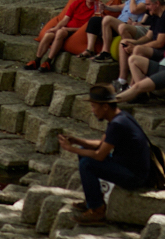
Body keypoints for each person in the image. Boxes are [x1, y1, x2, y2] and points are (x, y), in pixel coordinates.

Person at [58, 85, 153, 226]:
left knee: (87, 164)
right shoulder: (121, 117)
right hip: (124, 165)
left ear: (105, 107)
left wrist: (70, 149)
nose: (92, 111)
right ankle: (95, 199)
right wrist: (76, 141)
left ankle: (97, 210)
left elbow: (100, 155)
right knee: (84, 152)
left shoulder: (118, 124)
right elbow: (100, 144)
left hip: (135, 176)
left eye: (94, 106)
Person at [113, 0, 165, 93]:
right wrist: (134, 44)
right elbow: (148, 36)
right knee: (124, 42)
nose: (146, 7)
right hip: (158, 48)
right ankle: (122, 80)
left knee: (138, 49)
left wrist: (136, 47)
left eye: (148, 4)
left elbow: (160, 43)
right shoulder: (155, 14)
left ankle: (134, 86)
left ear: (157, 3)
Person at [26, 0, 102, 71]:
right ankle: (37, 60)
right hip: (66, 28)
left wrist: (66, 29)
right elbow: (65, 19)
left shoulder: (98, 7)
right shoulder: (77, 3)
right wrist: (56, 28)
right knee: (48, 35)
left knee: (60, 33)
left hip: (78, 32)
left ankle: (48, 61)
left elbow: (90, 27)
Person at [85, 0, 150, 61]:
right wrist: (106, 7)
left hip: (129, 25)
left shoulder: (147, 0)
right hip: (119, 22)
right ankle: (90, 49)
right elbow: (119, 7)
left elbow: (134, 10)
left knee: (108, 19)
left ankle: (106, 52)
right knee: (94, 20)